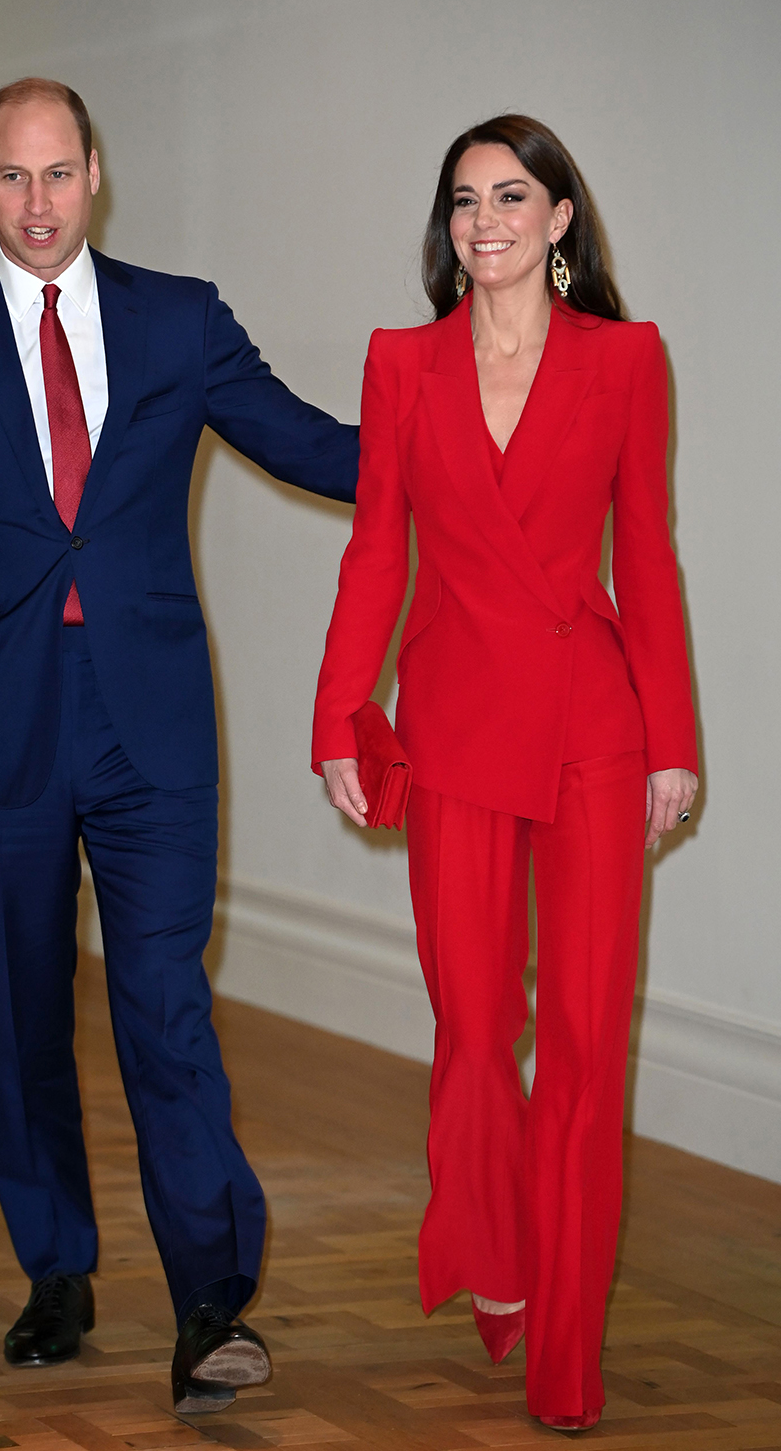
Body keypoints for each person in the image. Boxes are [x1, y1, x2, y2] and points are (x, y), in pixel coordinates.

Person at [0, 79, 358, 1410]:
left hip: (152, 726)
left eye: (59, 175)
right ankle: (58, 1269)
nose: (38, 205)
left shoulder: (178, 319)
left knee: (165, 1009)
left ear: (96, 172)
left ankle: (207, 1300)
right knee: (24, 1017)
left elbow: (306, 442)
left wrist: (469, 423)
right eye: (13, 179)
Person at [312, 115, 697, 1433]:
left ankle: (566, 1355)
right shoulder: (401, 364)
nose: (487, 219)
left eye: (512, 195)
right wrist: (337, 713)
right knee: (478, 1033)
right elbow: (377, 553)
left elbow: (644, 556)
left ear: (559, 220)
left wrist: (676, 742)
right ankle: (489, 1243)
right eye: (466, 199)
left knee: (588, 1048)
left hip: (595, 729)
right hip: (459, 730)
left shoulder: (627, 361)